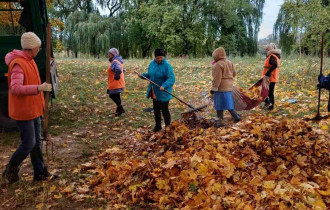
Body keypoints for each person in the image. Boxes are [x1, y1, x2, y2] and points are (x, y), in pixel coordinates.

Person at [2, 32, 56, 183]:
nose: (38, 50)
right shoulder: (19, 64)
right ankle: (10, 170)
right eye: (37, 48)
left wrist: (42, 106)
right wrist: (39, 87)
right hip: (24, 111)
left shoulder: (30, 60)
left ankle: (40, 173)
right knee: (29, 143)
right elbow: (16, 88)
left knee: (36, 142)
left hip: (34, 109)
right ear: (30, 48)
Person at [139, 49, 175, 132]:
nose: (159, 59)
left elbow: (171, 78)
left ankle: (167, 127)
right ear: (155, 57)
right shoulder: (152, 63)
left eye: (161, 57)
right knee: (156, 109)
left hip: (164, 91)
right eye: (157, 57)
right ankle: (158, 126)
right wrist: (143, 76)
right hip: (155, 90)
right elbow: (150, 75)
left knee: (165, 110)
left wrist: (164, 85)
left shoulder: (167, 65)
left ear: (163, 57)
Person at [210, 47, 240, 128]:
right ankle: (236, 116)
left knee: (219, 103)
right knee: (228, 102)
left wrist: (214, 88)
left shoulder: (218, 65)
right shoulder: (229, 62)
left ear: (217, 55)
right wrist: (229, 77)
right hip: (229, 86)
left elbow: (217, 78)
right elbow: (234, 73)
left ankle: (220, 119)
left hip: (220, 87)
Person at [262, 43, 281, 110]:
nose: (266, 50)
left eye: (267, 49)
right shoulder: (273, 56)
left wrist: (267, 73)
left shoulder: (272, 56)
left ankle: (270, 106)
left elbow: (274, 65)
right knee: (265, 92)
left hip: (270, 78)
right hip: (270, 77)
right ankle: (267, 104)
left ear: (270, 49)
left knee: (269, 92)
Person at [107, 48, 125, 116]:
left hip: (115, 83)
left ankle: (120, 108)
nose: (108, 55)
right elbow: (123, 70)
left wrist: (116, 76)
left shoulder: (115, 61)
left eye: (110, 53)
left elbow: (118, 69)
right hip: (119, 82)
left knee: (112, 95)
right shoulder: (119, 61)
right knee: (117, 95)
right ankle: (119, 110)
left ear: (113, 54)